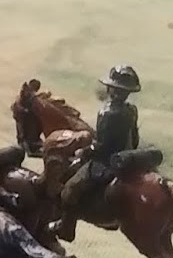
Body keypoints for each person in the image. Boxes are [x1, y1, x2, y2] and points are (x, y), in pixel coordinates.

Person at [57, 65, 157, 242]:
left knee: (70, 189)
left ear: (111, 89)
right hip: (127, 157)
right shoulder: (131, 110)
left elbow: (101, 146)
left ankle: (66, 228)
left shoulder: (106, 112)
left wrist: (84, 151)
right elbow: (134, 137)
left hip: (106, 163)